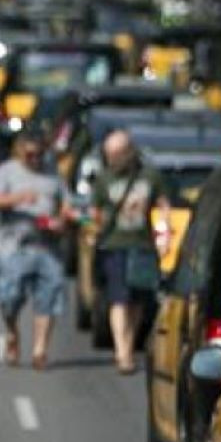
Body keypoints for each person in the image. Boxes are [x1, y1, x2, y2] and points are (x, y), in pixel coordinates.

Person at [0, 132, 73, 370]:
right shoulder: (6, 171)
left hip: (48, 246)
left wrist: (62, 220)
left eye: (40, 154)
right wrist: (18, 198)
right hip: (14, 247)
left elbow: (65, 204)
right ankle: (12, 332)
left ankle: (40, 350)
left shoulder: (52, 173)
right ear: (20, 152)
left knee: (49, 296)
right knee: (9, 298)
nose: (35, 159)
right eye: (30, 155)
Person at [89, 130, 165, 375]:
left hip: (142, 245)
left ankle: (128, 345)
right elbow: (96, 212)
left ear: (129, 152)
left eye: (117, 154)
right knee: (119, 299)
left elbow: (163, 206)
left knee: (136, 301)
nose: (112, 159)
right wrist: (93, 233)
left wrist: (164, 236)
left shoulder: (149, 176)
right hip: (114, 244)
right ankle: (123, 353)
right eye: (108, 154)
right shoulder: (104, 178)